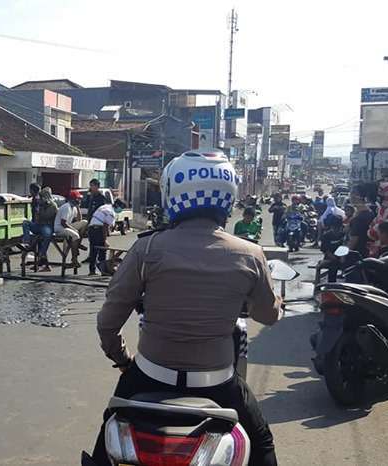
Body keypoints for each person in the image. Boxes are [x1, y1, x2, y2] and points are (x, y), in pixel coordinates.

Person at [90, 151, 281, 466]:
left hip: (148, 377)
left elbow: (107, 324)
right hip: (219, 384)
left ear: (171, 194)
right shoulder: (250, 254)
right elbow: (268, 315)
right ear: (228, 196)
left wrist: (122, 360)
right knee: (261, 442)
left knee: (106, 439)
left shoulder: (146, 248)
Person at [54, 189, 86, 268]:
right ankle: (74, 260)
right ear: (73, 199)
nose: (79, 200)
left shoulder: (73, 207)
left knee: (85, 222)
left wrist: (78, 208)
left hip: (67, 226)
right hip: (60, 228)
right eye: (78, 199)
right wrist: (74, 229)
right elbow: (63, 223)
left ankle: (78, 244)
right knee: (76, 235)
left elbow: (79, 220)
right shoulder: (67, 207)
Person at [86, 202, 116, 276]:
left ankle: (92, 271)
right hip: (98, 230)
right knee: (103, 250)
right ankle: (104, 271)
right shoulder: (111, 213)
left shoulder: (104, 206)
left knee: (93, 251)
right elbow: (105, 226)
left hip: (91, 229)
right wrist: (105, 240)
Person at [347, 184, 376, 258]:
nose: (350, 196)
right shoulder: (366, 211)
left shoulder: (360, 217)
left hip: (356, 253)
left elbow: (354, 239)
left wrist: (344, 255)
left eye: (352, 193)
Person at [33, 187, 58, 272]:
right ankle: (41, 261)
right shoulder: (41, 205)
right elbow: (38, 219)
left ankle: (42, 257)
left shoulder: (52, 206)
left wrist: (40, 211)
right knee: (38, 242)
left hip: (49, 226)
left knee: (46, 237)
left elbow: (46, 217)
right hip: (41, 225)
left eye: (42, 197)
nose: (40, 199)